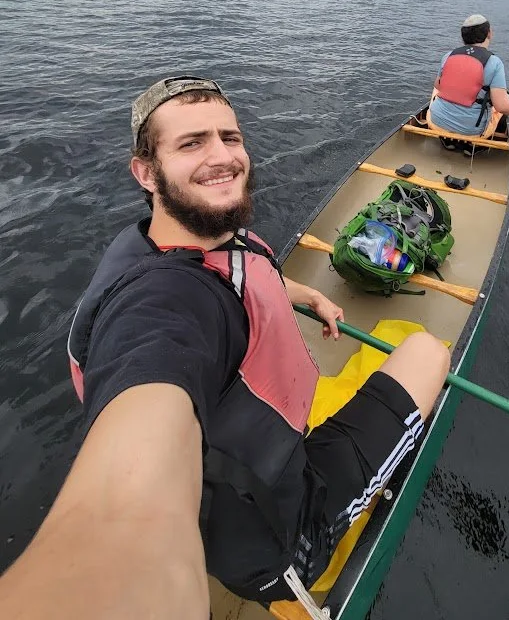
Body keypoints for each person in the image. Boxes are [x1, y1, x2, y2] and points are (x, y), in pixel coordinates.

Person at [0, 75, 450, 620]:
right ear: (145, 171)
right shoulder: (161, 306)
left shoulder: (176, 241)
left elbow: (245, 274)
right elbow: (129, 484)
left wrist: (308, 295)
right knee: (428, 352)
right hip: (281, 538)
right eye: (191, 143)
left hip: (233, 496)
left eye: (229, 138)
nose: (223, 157)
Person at [429, 13, 509, 137]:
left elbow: (438, 85)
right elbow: (502, 107)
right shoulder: (494, 63)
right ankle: (471, 146)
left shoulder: (448, 55)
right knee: (502, 102)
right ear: (489, 33)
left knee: (436, 93)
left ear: (463, 37)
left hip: (435, 121)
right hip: (471, 132)